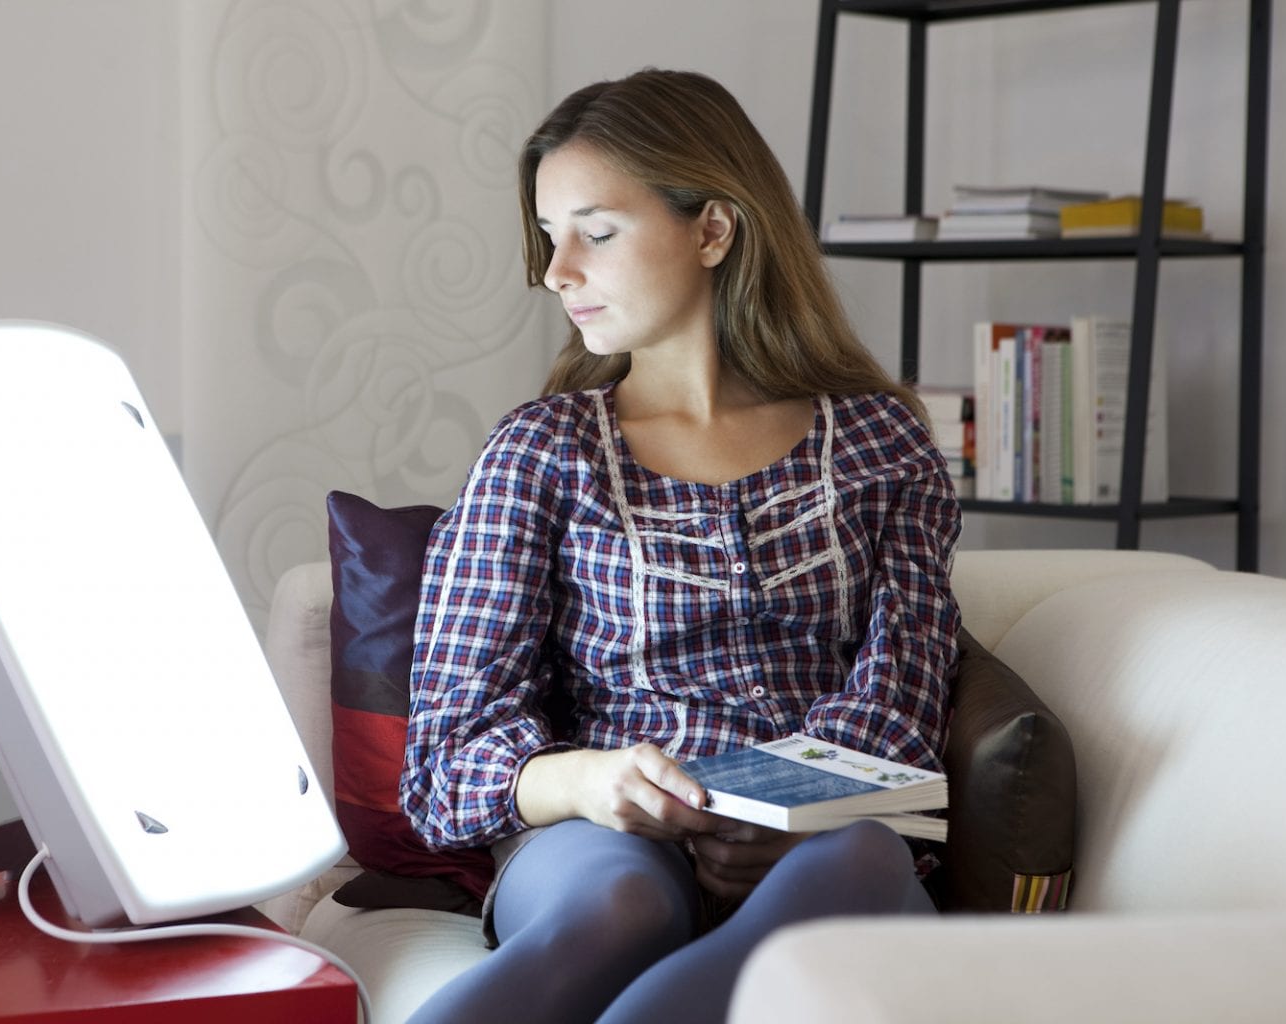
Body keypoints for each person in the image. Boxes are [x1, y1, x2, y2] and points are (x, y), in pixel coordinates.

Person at [399, 68, 960, 1024]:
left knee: (865, 855)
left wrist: (791, 811)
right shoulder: (541, 449)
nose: (555, 271)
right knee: (623, 902)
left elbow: (904, 690)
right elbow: (445, 759)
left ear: (712, 229)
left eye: (595, 233)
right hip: (604, 835)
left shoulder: (880, 440)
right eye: (548, 238)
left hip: (825, 840)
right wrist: (589, 779)